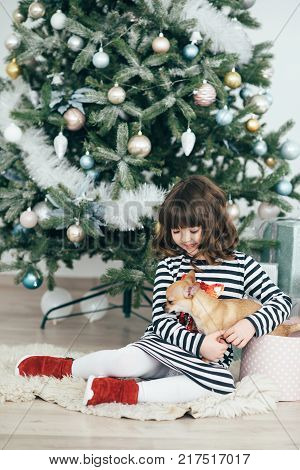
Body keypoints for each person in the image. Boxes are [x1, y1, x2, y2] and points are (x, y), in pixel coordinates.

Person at [15, 175, 292, 406]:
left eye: (193, 230)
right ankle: (66, 368)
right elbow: (161, 320)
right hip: (165, 345)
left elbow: (281, 301)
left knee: (221, 386)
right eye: (176, 231)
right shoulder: (170, 267)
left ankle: (127, 393)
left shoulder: (242, 264)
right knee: (126, 361)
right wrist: (197, 343)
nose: (185, 239)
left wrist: (250, 324)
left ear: (215, 224)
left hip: (208, 359)